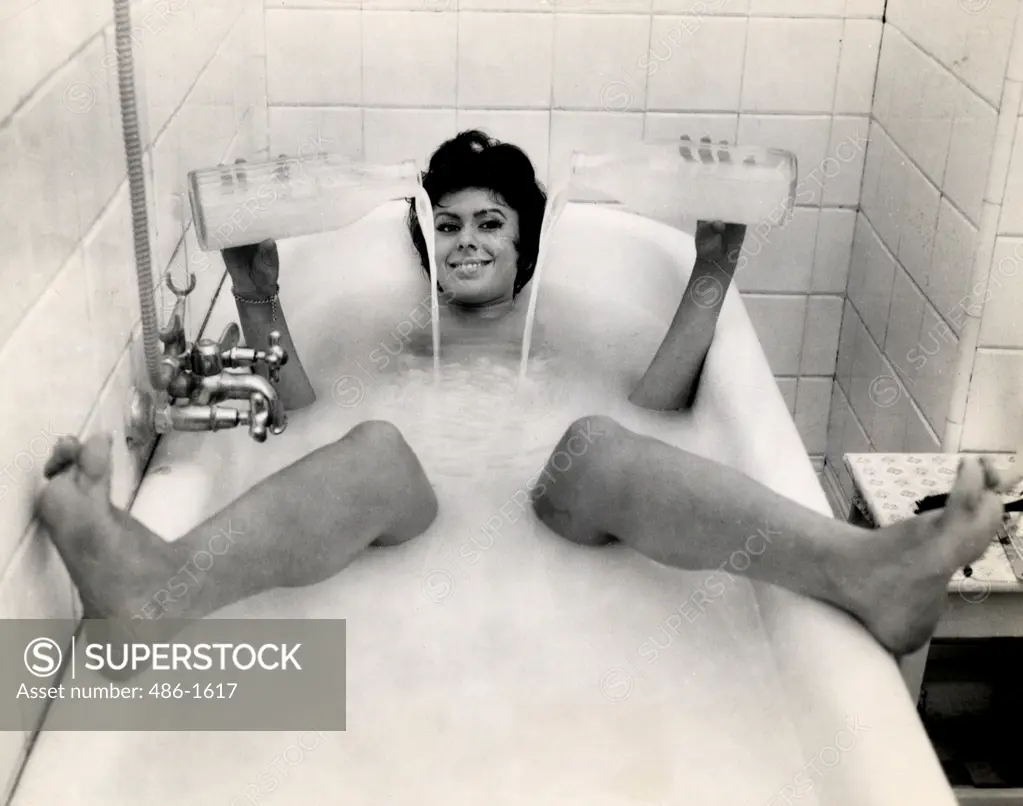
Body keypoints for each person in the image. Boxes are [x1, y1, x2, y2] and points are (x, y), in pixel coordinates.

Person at [36, 130, 1011, 658]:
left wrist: (712, 269)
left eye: (490, 223)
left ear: (523, 243)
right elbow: (301, 419)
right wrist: (256, 293)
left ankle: (867, 566)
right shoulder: (388, 336)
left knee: (599, 444)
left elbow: (662, 407)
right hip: (412, 511)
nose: (466, 238)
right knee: (372, 445)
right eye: (450, 224)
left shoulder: (581, 329)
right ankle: (154, 590)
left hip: (556, 505)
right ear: (427, 240)